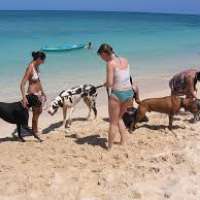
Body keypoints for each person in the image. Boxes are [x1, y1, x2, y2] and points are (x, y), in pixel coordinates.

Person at [97, 43, 134, 149]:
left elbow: (109, 83)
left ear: (105, 53)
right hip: (129, 93)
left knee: (113, 122)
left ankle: (109, 147)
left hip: (118, 94)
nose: (102, 59)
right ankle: (123, 141)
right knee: (119, 118)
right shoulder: (125, 59)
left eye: (102, 56)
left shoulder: (110, 63)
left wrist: (106, 83)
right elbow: (123, 77)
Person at [20, 51, 47, 134]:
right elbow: (22, 84)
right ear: (39, 59)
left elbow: (38, 80)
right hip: (32, 94)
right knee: (36, 112)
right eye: (43, 60)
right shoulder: (30, 68)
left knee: (38, 111)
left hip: (38, 93)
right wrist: (24, 98)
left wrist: (43, 92)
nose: (43, 62)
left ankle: (34, 129)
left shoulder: (36, 66)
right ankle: (34, 131)